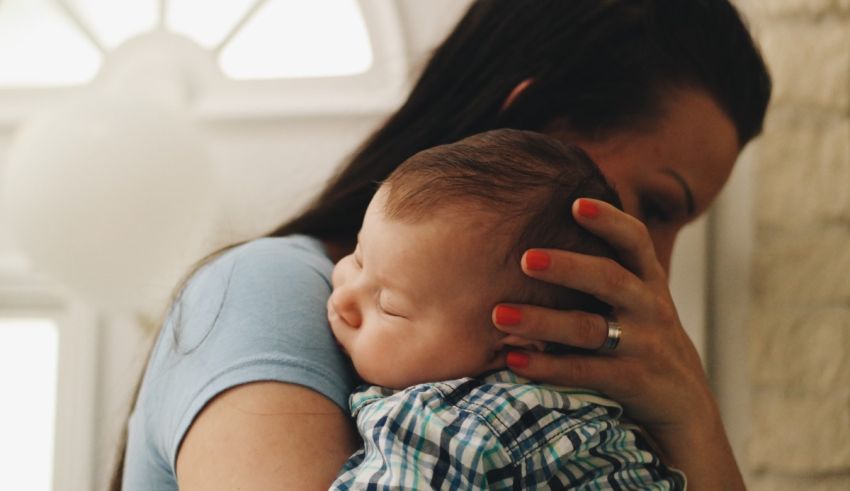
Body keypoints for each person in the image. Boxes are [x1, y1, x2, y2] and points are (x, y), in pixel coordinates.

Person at [112, 1, 772, 489]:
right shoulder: (271, 294)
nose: (662, 264)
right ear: (531, 126)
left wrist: (691, 415)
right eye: (655, 206)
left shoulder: (557, 403)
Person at [327, 128, 685, 489]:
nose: (344, 298)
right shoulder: (593, 412)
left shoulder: (448, 423)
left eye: (389, 306)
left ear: (515, 346)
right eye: (358, 259)